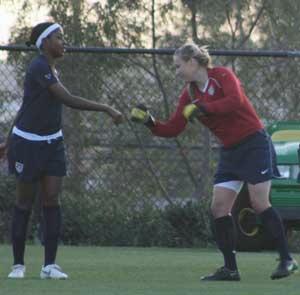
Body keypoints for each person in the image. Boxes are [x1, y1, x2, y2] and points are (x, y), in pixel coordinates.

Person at [130, 43, 298, 281]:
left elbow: (235, 101)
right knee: (219, 207)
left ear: (192, 62)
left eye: (178, 66)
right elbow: (172, 128)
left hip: (254, 144)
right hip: (230, 151)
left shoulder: (222, 76)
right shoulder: (188, 94)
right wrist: (149, 121)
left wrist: (203, 108)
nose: (176, 71)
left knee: (259, 202)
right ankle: (230, 269)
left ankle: (287, 260)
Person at [0, 22, 123, 279]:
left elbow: (25, 105)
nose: (63, 42)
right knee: (24, 203)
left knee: (52, 201)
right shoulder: (39, 67)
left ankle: (49, 266)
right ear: (44, 42)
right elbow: (66, 98)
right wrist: (106, 108)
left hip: (53, 142)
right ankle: (18, 265)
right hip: (28, 143)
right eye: (59, 38)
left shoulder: (53, 69)